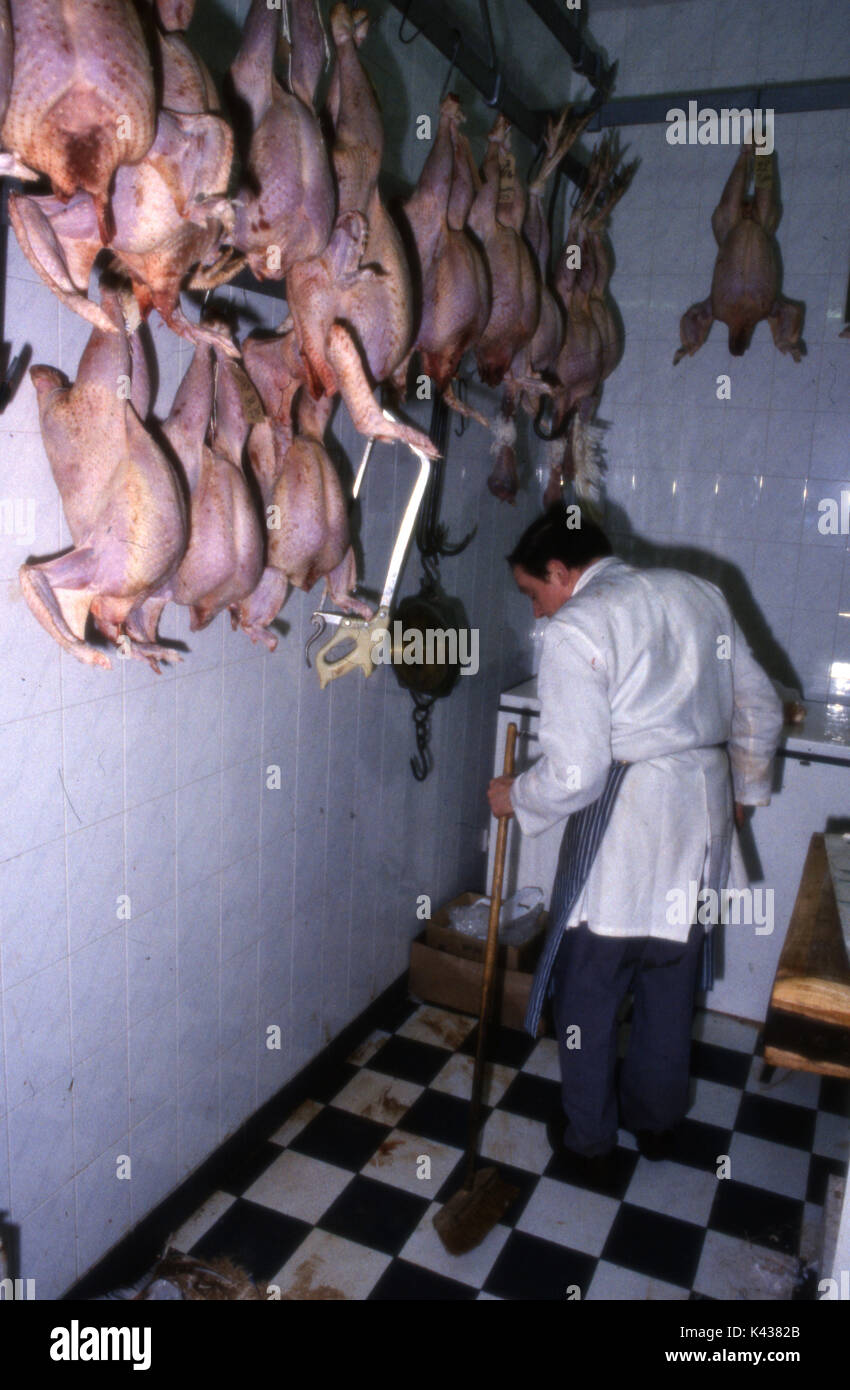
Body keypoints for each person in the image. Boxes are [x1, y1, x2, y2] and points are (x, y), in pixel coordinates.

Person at [488, 503, 783, 1188]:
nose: (538, 614)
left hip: (628, 825)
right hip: (700, 816)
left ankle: (590, 1141)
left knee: (589, 992)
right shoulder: (699, 594)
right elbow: (760, 704)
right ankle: (656, 1122)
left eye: (536, 594)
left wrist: (515, 797)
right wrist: (744, 789)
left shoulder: (578, 627)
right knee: (668, 984)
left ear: (562, 571)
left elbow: (575, 773)